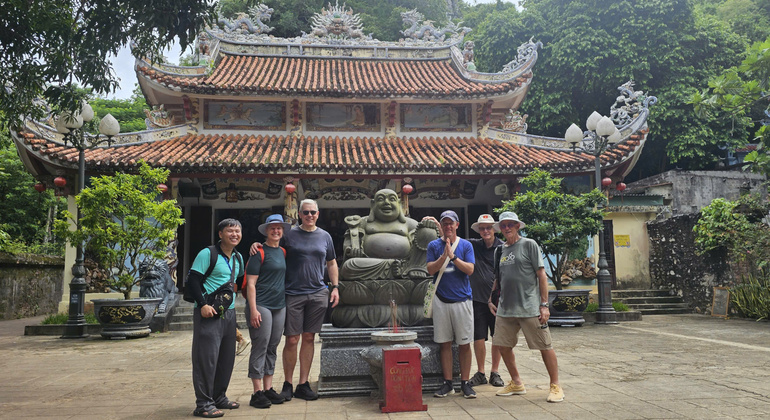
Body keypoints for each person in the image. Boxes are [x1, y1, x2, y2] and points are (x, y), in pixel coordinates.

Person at [250, 199, 339, 402]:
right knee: (292, 339)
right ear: (299, 214)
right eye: (306, 212)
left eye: (313, 212)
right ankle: (288, 383)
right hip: (292, 293)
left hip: (318, 293)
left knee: (309, 338)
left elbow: (332, 263)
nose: (309, 215)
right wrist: (255, 244)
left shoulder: (325, 236)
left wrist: (335, 287)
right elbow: (270, 247)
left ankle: (303, 383)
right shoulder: (289, 235)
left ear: (318, 214)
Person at [489, 212, 564, 403]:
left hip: (530, 306)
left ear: (517, 226)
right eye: (503, 225)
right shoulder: (500, 251)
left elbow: (541, 275)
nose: (506, 228)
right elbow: (498, 278)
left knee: (545, 345)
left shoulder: (529, 244)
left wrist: (544, 305)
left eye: (510, 225)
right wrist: (491, 299)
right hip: (506, 308)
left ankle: (555, 385)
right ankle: (516, 382)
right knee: (503, 345)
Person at [187, 219, 245, 418]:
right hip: (208, 312)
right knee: (206, 359)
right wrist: (202, 304)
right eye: (230, 231)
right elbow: (192, 280)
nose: (234, 234)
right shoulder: (208, 253)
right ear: (220, 234)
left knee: (226, 359)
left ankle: (219, 397)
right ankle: (203, 404)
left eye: (237, 231)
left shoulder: (238, 258)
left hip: (228, 313)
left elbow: (236, 284)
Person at [425, 210, 476, 399]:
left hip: (462, 299)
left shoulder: (466, 245)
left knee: (464, 343)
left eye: (451, 223)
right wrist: (444, 256)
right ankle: (447, 383)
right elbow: (430, 269)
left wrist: (453, 257)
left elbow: (470, 270)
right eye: (444, 223)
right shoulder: (433, 245)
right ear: (441, 225)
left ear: (457, 225)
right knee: (444, 343)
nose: (448, 226)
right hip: (440, 299)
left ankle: (465, 382)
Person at [245, 214, 291, 409]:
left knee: (273, 345)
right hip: (261, 304)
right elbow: (251, 283)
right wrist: (253, 309)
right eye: (272, 228)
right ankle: (256, 392)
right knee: (260, 345)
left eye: (279, 228)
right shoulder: (258, 251)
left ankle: (268, 387)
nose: (276, 231)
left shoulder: (282, 251)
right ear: (266, 231)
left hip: (279, 305)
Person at [467, 214, 504, 388]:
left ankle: (494, 371)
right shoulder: (473, 245)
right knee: (478, 337)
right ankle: (481, 372)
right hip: (477, 299)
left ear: (494, 229)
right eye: (482, 228)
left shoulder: (503, 248)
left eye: (489, 227)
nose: (486, 231)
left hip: (498, 300)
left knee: (498, 337)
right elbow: (451, 238)